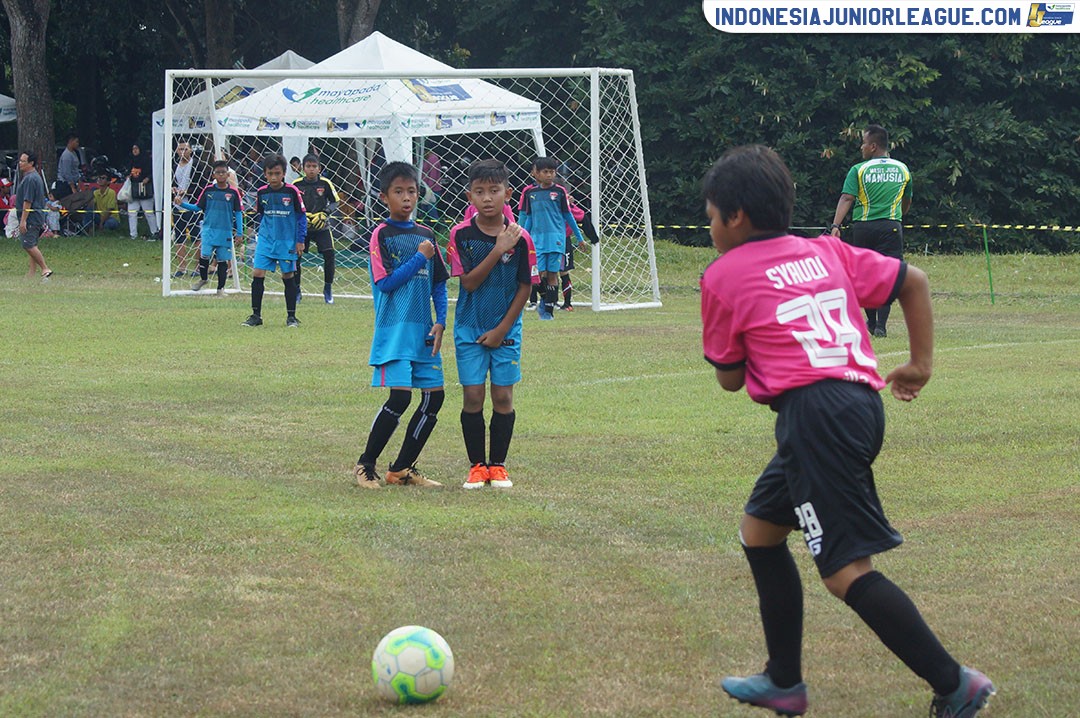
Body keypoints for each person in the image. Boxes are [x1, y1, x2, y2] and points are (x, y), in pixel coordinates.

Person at [699, 145, 993, 718]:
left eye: (711, 217)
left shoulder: (722, 276)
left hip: (815, 418)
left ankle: (955, 682)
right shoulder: (826, 250)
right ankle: (783, 681)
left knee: (843, 572)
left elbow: (729, 380)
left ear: (735, 216)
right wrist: (920, 364)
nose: (709, 228)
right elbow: (914, 280)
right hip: (857, 403)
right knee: (760, 531)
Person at [353, 161, 449, 489]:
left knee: (434, 399)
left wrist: (441, 321)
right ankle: (365, 465)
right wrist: (420, 257)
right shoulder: (381, 234)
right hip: (394, 331)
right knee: (400, 399)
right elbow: (386, 283)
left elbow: (439, 283)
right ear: (384, 197)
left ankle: (401, 468)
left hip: (423, 332)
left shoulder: (426, 235)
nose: (406, 198)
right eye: (398, 192)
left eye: (411, 191)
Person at [447, 159, 538, 490]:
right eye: (480, 191)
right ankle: (477, 467)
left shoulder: (522, 238)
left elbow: (525, 287)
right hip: (469, 327)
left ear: (508, 194)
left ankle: (497, 466)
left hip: (507, 330)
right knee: (473, 396)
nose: (487, 198)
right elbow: (469, 283)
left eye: (494, 190)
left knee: (502, 397)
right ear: (469, 196)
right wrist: (498, 249)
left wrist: (502, 330)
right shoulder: (460, 234)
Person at [829, 124, 912, 338]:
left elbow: (847, 198)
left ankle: (872, 322)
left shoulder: (859, 170)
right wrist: (898, 216)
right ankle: (881, 326)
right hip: (891, 227)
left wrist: (836, 226)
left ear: (873, 146)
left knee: (866, 276)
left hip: (864, 228)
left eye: (864, 143)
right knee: (889, 275)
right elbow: (907, 199)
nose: (861, 147)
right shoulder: (902, 169)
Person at [241, 154, 307, 328]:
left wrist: (300, 240)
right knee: (257, 273)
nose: (274, 177)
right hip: (266, 239)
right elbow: (261, 214)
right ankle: (256, 315)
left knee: (287, 275)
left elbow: (301, 217)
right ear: (265, 174)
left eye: (277, 173)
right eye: (270, 174)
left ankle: (291, 317)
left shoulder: (292, 191)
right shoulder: (262, 192)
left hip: (287, 241)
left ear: (284, 173)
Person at [516, 157, 584, 320]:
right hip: (537, 240)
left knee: (553, 274)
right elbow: (529, 218)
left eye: (552, 172)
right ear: (536, 173)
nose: (549, 175)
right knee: (537, 275)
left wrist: (579, 237)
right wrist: (522, 237)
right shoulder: (531, 193)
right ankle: (547, 300)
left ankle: (548, 311)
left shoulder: (560, 191)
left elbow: (568, 216)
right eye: (545, 172)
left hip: (556, 240)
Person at [177, 160, 243, 296]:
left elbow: (238, 212)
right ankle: (203, 278)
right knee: (205, 254)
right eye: (218, 172)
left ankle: (220, 289)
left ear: (228, 174)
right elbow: (197, 207)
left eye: (223, 172)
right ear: (213, 175)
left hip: (225, 231)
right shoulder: (208, 190)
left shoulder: (233, 193)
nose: (221, 175)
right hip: (208, 229)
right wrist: (182, 204)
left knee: (222, 259)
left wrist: (239, 232)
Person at [292, 153, 340, 304]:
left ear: (319, 168)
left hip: (321, 226)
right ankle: (296, 290)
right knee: (296, 257)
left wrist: (325, 213)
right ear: (303, 168)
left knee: (329, 254)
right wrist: (301, 216)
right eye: (308, 166)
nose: (311, 169)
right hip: (302, 227)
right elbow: (291, 204)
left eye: (314, 166)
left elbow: (335, 202)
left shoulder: (325, 183)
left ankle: (328, 289)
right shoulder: (296, 184)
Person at [555, 190, 600, 311]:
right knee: (545, 272)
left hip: (563, 241)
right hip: (545, 240)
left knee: (563, 272)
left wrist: (593, 238)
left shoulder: (566, 203)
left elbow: (582, 217)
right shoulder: (538, 199)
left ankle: (567, 304)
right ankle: (546, 302)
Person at [14, 151, 53, 280]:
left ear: (31, 163)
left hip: (31, 218)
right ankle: (31, 273)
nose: (20, 163)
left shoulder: (30, 179)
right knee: (32, 244)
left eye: (23, 161)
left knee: (28, 245)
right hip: (36, 217)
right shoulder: (33, 177)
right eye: (20, 160)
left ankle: (45, 268)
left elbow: (28, 201)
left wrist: (23, 221)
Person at [171, 140, 202, 277]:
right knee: (179, 237)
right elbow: (171, 182)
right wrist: (173, 190)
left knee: (196, 236)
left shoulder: (197, 165)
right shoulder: (174, 166)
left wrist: (187, 192)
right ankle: (182, 267)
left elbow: (201, 184)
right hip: (177, 205)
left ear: (191, 150)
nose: (182, 152)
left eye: (185, 149)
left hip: (192, 205)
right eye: (180, 149)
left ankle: (198, 267)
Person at [127, 143, 160, 240]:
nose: (135, 150)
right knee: (132, 212)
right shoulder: (131, 160)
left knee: (148, 212)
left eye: (137, 148)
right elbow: (128, 171)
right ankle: (133, 234)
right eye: (133, 149)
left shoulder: (147, 161)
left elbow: (153, 172)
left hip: (145, 190)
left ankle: (155, 232)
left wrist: (148, 178)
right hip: (134, 190)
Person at [55, 133, 81, 200]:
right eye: (76, 142)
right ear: (71, 141)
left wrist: (79, 181)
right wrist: (72, 187)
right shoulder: (67, 155)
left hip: (73, 183)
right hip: (65, 185)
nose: (78, 144)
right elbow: (67, 173)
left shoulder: (74, 153)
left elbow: (75, 169)